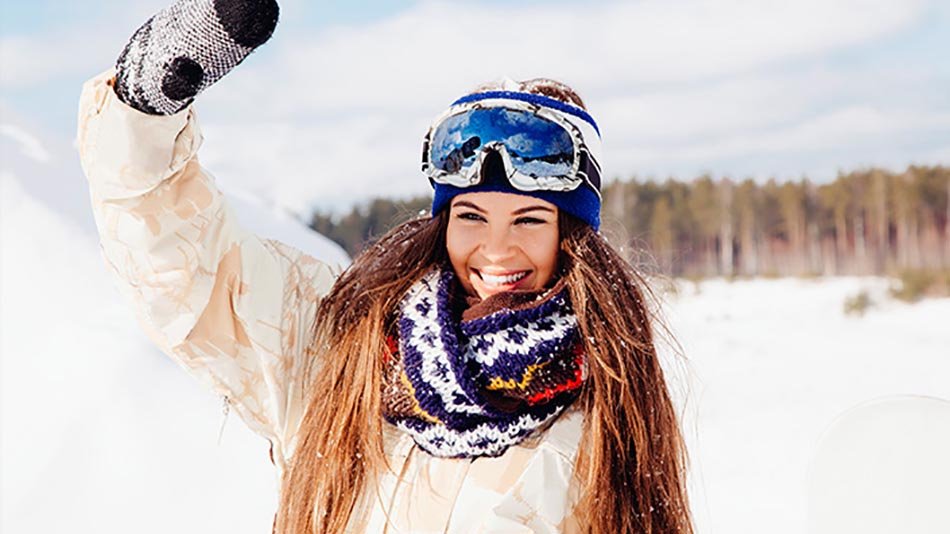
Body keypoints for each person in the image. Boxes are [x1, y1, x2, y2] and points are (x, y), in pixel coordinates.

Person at [77, 0, 693, 532]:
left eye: (530, 221)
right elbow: (188, 271)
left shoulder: (608, 416)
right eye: (471, 217)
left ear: (572, 239)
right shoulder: (346, 356)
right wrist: (143, 106)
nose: (497, 252)